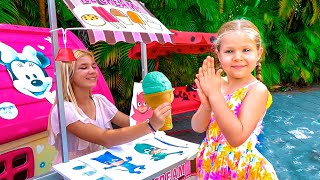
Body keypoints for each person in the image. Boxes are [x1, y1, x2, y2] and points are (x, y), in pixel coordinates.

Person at [48, 50, 171, 165]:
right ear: (68, 74)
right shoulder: (64, 109)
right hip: (72, 171)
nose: (92, 71)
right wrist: (150, 125)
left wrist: (146, 98)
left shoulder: (100, 100)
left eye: (94, 66)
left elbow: (131, 123)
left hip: (97, 166)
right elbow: (105, 138)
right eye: (84, 67)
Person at [191, 19, 278, 179]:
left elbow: (236, 138)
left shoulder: (257, 90)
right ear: (218, 54)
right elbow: (197, 127)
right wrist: (207, 105)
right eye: (229, 51)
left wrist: (214, 95)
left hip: (241, 170)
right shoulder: (218, 84)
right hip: (210, 165)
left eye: (246, 50)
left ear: (258, 54)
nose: (237, 57)